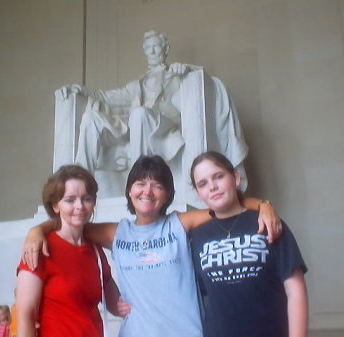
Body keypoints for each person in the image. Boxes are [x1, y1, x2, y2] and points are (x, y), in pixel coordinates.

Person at [22, 155, 281, 337]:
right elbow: (70, 222)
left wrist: (263, 204)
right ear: (130, 191)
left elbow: (225, 207)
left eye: (157, 185)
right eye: (140, 183)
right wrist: (36, 231)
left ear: (167, 194)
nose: (148, 191)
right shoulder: (115, 233)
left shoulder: (181, 223)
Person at [55, 30, 249, 201]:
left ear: (165, 49)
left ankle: (138, 183)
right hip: (135, 127)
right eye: (148, 48)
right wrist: (79, 90)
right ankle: (78, 183)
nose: (152, 52)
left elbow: (203, 81)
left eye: (156, 47)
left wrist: (186, 70)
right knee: (91, 118)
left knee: (139, 114)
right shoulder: (137, 85)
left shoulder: (177, 74)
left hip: (164, 129)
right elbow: (105, 97)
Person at [189, 151, 308, 337]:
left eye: (218, 177)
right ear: (198, 194)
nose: (212, 187)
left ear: (235, 177)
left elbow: (295, 290)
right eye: (203, 184)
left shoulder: (269, 222)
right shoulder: (197, 237)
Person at [16, 165, 124, 337]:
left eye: (86, 199)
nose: (79, 206)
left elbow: (118, 305)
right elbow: (25, 316)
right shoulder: (40, 248)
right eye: (70, 200)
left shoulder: (95, 250)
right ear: (55, 206)